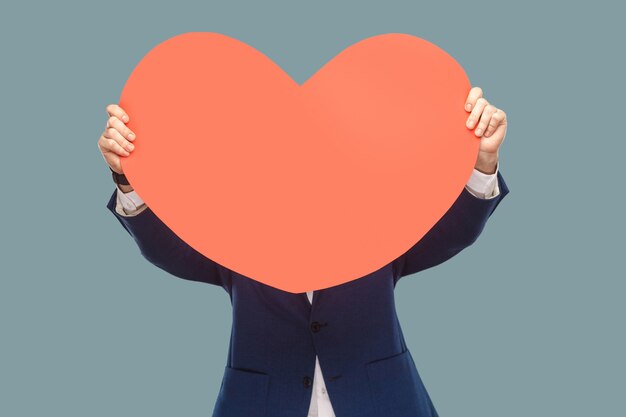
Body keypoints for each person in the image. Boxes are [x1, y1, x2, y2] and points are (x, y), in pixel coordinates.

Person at [98, 86, 510, 417]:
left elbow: (453, 232)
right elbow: (170, 250)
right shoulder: (236, 229)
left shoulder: (375, 223)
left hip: (384, 402)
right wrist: (128, 179)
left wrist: (483, 162)